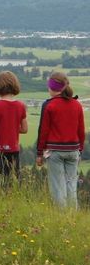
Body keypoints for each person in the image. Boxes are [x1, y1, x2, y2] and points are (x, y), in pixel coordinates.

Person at [36, 72, 85, 209]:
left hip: (55, 152)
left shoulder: (49, 106)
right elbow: (81, 131)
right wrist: (80, 150)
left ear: (51, 88)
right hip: (74, 150)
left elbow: (43, 131)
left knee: (58, 187)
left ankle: (61, 216)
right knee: (71, 185)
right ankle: (73, 216)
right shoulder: (77, 105)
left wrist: (39, 153)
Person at [0, 71, 28, 188]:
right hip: (14, 151)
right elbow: (24, 129)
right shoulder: (21, 106)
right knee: (13, 182)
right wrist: (11, 127)